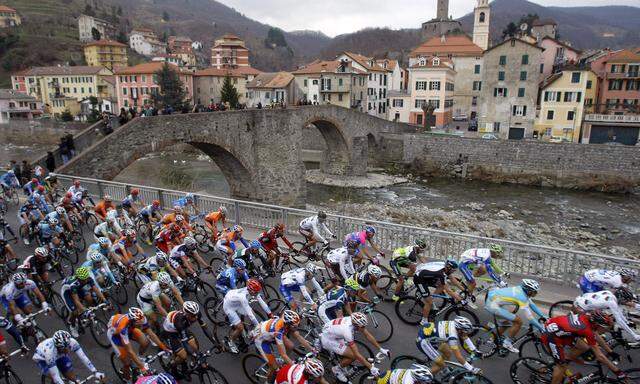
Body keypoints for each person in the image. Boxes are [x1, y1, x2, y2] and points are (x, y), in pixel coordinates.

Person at [541, 311, 624, 384]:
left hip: (558, 328)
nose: (607, 331)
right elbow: (600, 356)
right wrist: (617, 371)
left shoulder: (588, 319)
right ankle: (561, 363)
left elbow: (596, 336)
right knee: (561, 366)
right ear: (599, 325)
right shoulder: (587, 331)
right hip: (551, 336)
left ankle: (566, 358)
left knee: (584, 347)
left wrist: (610, 352)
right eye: (606, 328)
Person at [319, 312, 389, 382]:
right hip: (329, 340)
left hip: (332, 331)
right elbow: (356, 354)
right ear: (356, 325)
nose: (364, 328)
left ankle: (342, 361)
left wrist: (381, 349)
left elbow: (367, 335)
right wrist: (370, 367)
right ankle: (337, 369)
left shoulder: (354, 321)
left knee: (350, 351)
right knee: (353, 356)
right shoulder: (347, 332)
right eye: (362, 327)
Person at [108, 307, 171, 382]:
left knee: (145, 342)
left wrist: (163, 347)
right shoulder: (123, 328)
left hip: (130, 328)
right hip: (115, 335)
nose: (141, 326)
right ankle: (127, 378)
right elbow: (130, 350)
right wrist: (142, 367)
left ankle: (138, 358)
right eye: (138, 323)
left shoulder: (141, 318)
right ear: (132, 321)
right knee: (127, 362)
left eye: (141, 322)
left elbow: (151, 334)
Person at [484, 279, 545, 353]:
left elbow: (531, 304)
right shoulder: (522, 297)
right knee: (518, 322)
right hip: (492, 304)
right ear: (529, 291)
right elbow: (530, 318)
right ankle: (507, 343)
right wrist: (541, 328)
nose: (536, 293)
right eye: (535, 291)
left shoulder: (521, 290)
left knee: (506, 323)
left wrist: (543, 315)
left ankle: (493, 340)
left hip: (494, 300)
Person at [252, 310, 314, 382]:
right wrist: (296, 368)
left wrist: (312, 350)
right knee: (275, 368)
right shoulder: (278, 331)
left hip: (268, 334)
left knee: (290, 346)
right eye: (294, 326)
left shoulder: (285, 324)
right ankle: (268, 381)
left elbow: (299, 337)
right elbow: (283, 354)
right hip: (261, 340)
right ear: (287, 324)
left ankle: (282, 362)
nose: (296, 328)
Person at [33, 330, 105, 384]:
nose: (67, 350)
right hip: (43, 359)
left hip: (59, 355)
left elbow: (83, 357)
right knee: (55, 378)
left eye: (68, 347)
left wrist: (95, 372)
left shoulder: (72, 342)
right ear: (57, 347)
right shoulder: (50, 353)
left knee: (72, 378)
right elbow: (55, 376)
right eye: (63, 348)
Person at [416, 317, 480, 375]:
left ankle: (437, 364)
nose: (467, 333)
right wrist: (472, 369)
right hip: (423, 342)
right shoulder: (452, 337)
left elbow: (464, 336)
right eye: (466, 331)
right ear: (460, 330)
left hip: (432, 337)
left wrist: (475, 350)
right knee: (442, 365)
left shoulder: (453, 323)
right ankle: (424, 377)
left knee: (448, 353)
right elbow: (459, 357)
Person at [223, 279, 272, 354]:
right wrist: (258, 326)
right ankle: (231, 341)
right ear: (252, 291)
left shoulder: (253, 291)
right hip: (229, 307)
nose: (258, 294)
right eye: (256, 292)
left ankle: (249, 330)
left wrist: (270, 314)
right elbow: (249, 314)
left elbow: (261, 302)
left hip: (237, 303)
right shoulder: (242, 297)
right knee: (240, 327)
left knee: (253, 313)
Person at [573, 287, 640, 341]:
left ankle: (592, 331)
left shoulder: (609, 293)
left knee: (605, 316)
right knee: (608, 323)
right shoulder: (612, 302)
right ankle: (589, 337)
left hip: (581, 300)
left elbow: (619, 312)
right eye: (626, 300)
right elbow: (619, 321)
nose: (626, 302)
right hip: (581, 307)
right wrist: (634, 335)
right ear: (621, 298)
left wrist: (627, 321)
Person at [413, 259, 464, 325]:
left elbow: (453, 280)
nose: (453, 272)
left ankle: (431, 297)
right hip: (419, 279)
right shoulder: (441, 273)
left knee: (441, 285)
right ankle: (424, 320)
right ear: (449, 267)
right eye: (453, 270)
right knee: (429, 302)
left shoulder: (445, 267)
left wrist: (464, 290)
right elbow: (449, 291)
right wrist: (461, 300)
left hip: (426, 274)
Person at [60, 267, 108, 337]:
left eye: (86, 279)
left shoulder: (87, 278)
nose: (86, 281)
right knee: (75, 312)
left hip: (78, 288)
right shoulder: (73, 284)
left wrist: (104, 300)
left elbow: (96, 290)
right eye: (83, 280)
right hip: (67, 292)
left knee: (89, 298)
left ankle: (86, 313)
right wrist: (83, 309)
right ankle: (72, 325)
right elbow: (76, 300)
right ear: (78, 278)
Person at [162, 302, 209, 369]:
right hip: (170, 332)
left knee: (194, 346)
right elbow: (185, 343)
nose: (196, 317)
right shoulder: (179, 322)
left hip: (182, 328)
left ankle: (193, 361)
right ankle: (172, 366)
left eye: (196, 314)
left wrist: (215, 343)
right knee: (183, 356)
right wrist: (197, 355)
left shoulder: (195, 314)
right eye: (193, 316)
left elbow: (205, 329)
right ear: (186, 315)